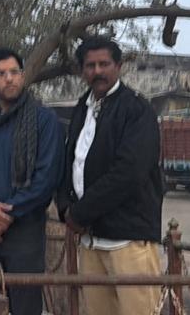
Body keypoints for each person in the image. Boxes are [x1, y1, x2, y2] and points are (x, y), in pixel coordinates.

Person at [57, 36, 163, 315]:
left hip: (128, 240)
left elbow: (128, 173)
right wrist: (66, 208)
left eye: (104, 64)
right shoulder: (83, 108)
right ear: (82, 71)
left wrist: (80, 214)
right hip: (91, 241)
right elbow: (71, 163)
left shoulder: (136, 110)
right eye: (90, 65)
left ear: (118, 66)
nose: (97, 71)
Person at [0, 47, 65, 315]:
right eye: (1, 74)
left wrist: (4, 217)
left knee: (24, 305)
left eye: (14, 72)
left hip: (25, 231)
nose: (9, 78)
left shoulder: (44, 121)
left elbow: (46, 180)